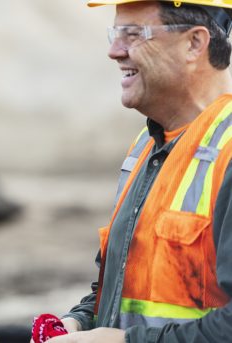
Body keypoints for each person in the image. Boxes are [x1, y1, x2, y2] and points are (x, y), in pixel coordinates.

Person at [47, 1, 232, 342]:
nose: (114, 51)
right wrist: (79, 322)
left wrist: (123, 341)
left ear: (195, 43)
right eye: (115, 34)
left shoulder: (228, 150)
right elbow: (123, 293)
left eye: (133, 34)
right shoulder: (145, 148)